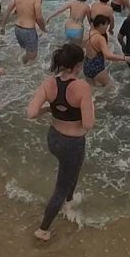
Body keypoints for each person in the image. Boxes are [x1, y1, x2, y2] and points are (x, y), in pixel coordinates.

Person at [26, 44, 94, 242]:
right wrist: (91, 110)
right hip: (72, 144)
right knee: (61, 186)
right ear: (78, 65)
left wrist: (49, 110)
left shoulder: (49, 83)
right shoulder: (82, 87)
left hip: (54, 138)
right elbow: (88, 124)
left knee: (73, 170)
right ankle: (43, 229)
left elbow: (30, 113)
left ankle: (69, 201)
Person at [0, 0, 46, 64]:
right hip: (28, 30)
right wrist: (43, 28)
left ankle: (21, 65)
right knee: (32, 55)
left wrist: (2, 25)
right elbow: (38, 17)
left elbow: (7, 11)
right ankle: (21, 65)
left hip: (17, 28)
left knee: (26, 50)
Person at [83, 15, 130, 87]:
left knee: (92, 90)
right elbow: (108, 56)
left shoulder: (87, 35)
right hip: (97, 67)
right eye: (106, 25)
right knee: (112, 88)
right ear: (100, 25)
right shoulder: (100, 38)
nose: (107, 27)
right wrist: (124, 58)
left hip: (87, 66)